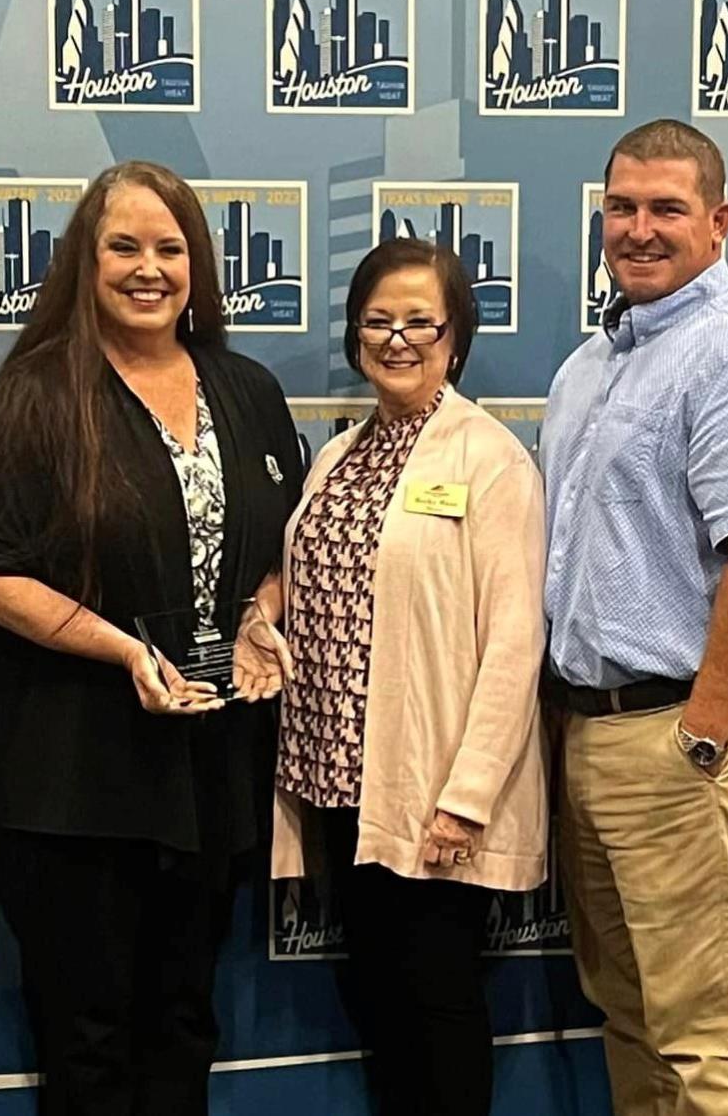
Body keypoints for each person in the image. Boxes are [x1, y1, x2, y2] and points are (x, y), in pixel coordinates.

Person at [0, 160, 304, 1115]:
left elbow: (277, 544)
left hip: (209, 772)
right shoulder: (32, 397)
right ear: (84, 261)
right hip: (75, 780)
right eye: (124, 246)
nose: (149, 268)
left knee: (184, 1024)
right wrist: (122, 650)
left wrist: (259, 615)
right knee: (89, 1042)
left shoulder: (249, 390)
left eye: (169, 247)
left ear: (197, 264)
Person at [541, 118, 728, 1116]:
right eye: (621, 206)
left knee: (709, 1029)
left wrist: (703, 728)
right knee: (631, 1008)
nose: (639, 228)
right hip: (598, 727)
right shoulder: (596, 362)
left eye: (666, 208)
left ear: (718, 222)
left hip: (686, 730)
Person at [257, 238, 547, 1116]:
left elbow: (514, 641)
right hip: (342, 788)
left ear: (454, 337)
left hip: (432, 796)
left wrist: (466, 796)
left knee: (438, 1008)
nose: (397, 338)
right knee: (378, 1006)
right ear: (354, 338)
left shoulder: (489, 459)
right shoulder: (338, 457)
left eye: (421, 320)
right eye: (378, 321)